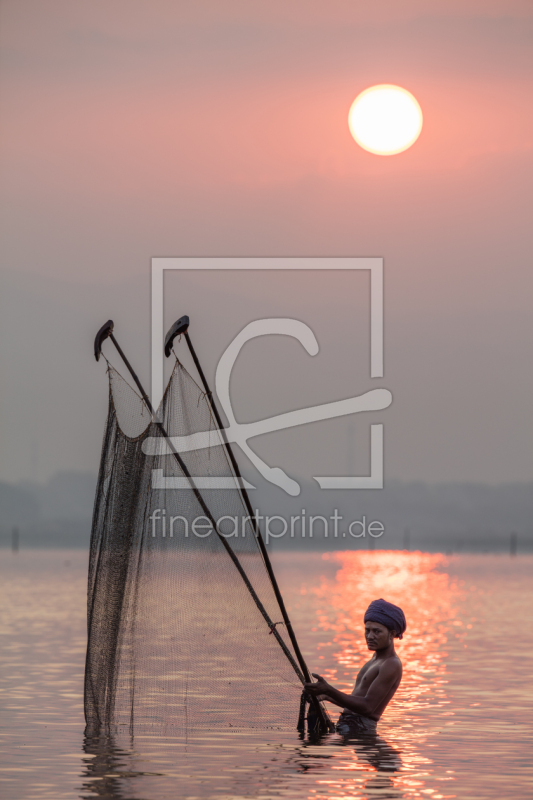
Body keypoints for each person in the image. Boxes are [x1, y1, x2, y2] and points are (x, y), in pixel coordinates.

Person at [304, 598, 406, 735]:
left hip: (361, 731)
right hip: (349, 728)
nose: (370, 636)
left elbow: (367, 707)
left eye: (377, 631)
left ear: (392, 634)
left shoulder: (391, 664)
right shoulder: (374, 659)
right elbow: (356, 703)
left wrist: (329, 690)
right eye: (367, 630)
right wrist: (326, 696)